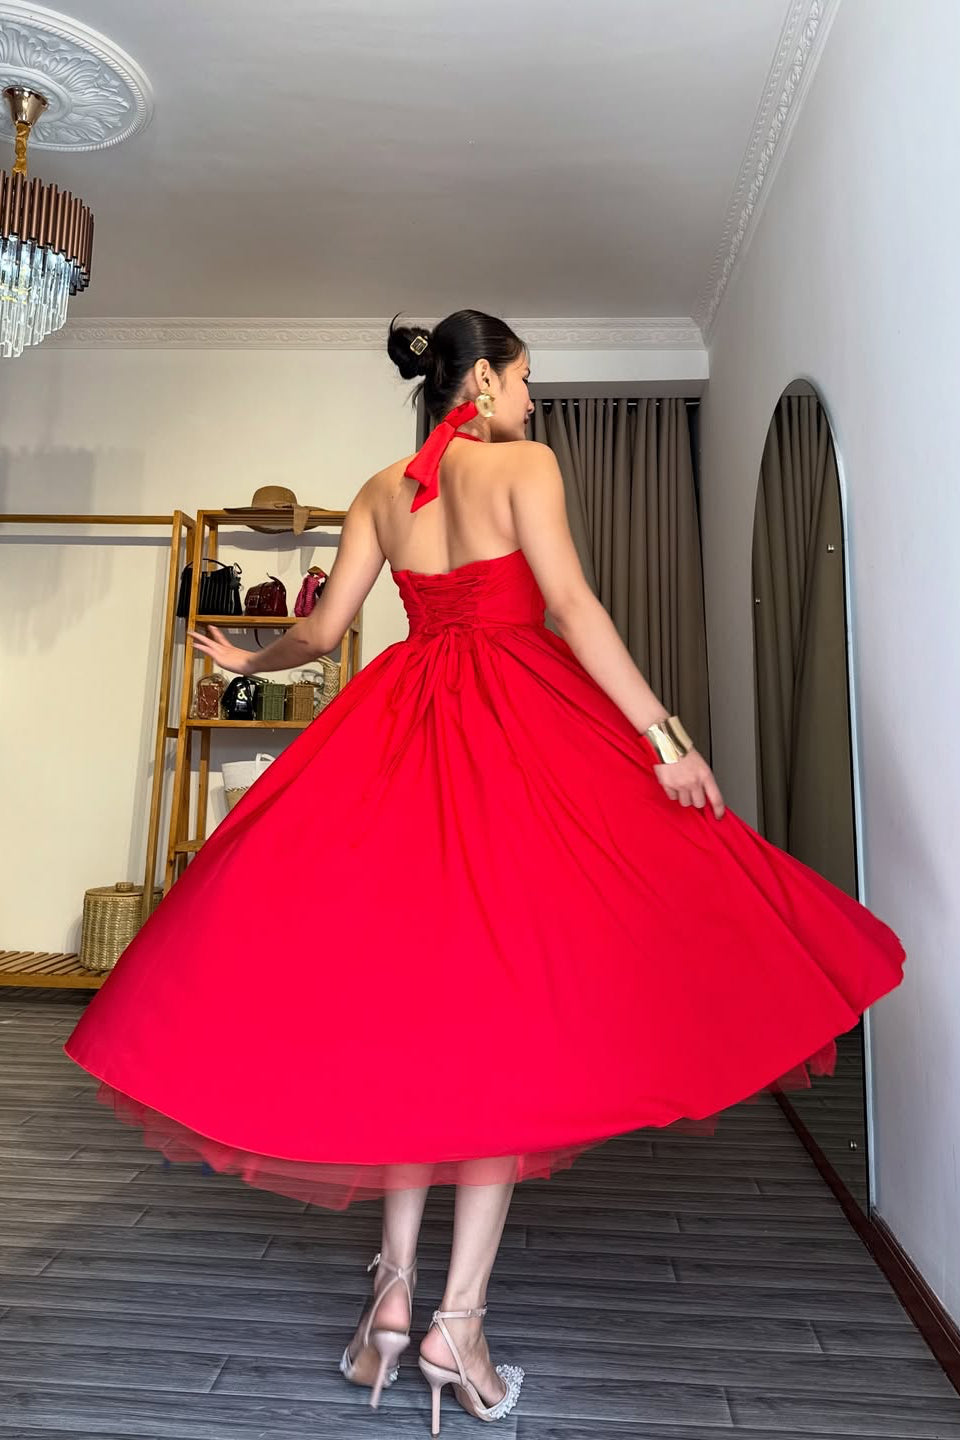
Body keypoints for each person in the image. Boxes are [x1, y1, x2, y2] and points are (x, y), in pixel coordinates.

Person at [65, 309, 905, 1435]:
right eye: (526, 379)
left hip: (403, 740)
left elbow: (321, 639)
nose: (534, 399)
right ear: (490, 381)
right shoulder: (523, 464)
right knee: (504, 1031)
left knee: (421, 1023)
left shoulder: (377, 490)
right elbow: (569, 607)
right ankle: (458, 1323)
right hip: (516, 742)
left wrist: (244, 657)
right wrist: (664, 739)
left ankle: (391, 1305)